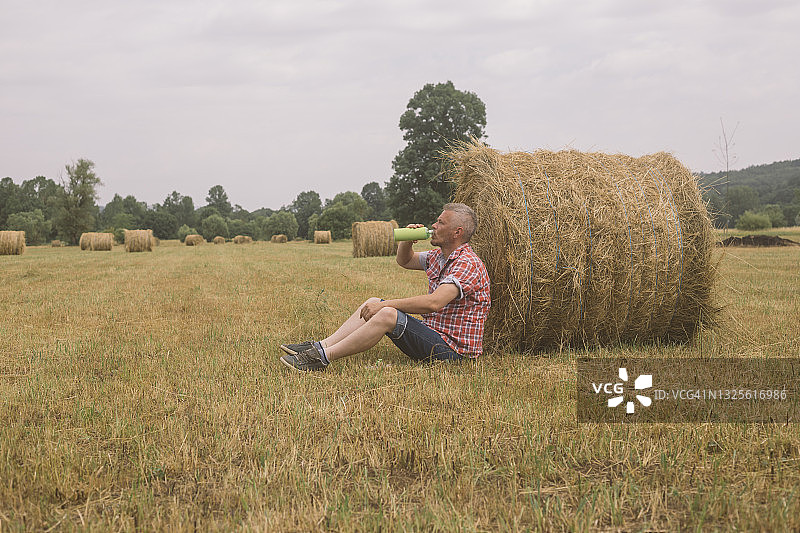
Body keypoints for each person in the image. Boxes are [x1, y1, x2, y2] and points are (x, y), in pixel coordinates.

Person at [279, 202, 491, 372]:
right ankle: (320, 346)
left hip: (453, 353)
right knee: (373, 302)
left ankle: (322, 359)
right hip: (433, 334)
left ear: (457, 232)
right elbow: (405, 261)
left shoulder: (468, 263)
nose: (434, 226)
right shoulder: (440, 256)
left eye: (440, 222)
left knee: (387, 313)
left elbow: (434, 303)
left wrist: (386, 306)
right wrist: (408, 241)